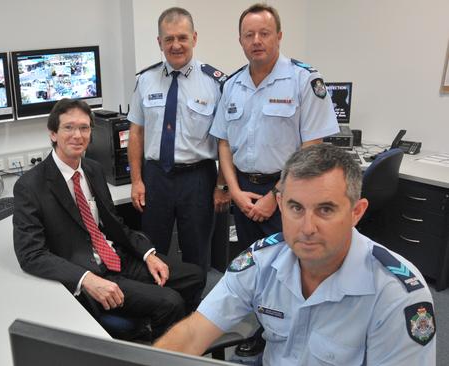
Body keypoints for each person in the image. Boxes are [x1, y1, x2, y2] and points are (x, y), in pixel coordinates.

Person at [154, 144, 436, 365]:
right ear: (279, 204)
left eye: (325, 209)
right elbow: (192, 334)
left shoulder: (396, 294)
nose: (307, 228)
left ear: (356, 212)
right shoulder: (262, 262)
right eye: (296, 208)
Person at [13, 99, 205, 340]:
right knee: (171, 302)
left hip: (116, 257)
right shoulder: (30, 185)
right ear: (53, 133)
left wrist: (148, 255)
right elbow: (30, 254)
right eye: (69, 127)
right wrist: (86, 280)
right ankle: (154, 347)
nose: (78, 135)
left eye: (84, 128)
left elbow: (115, 224)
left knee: (194, 276)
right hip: (88, 270)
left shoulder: (92, 170)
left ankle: (169, 334)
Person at [208, 3, 339, 355]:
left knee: (295, 266)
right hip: (244, 190)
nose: (256, 41)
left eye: (264, 33)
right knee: (257, 268)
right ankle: (261, 331)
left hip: (290, 192)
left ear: (279, 36)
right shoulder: (232, 84)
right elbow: (223, 141)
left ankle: (299, 337)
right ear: (240, 40)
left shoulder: (303, 80)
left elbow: (312, 148)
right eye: (249, 35)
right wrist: (234, 190)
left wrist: (275, 195)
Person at [127, 7, 229, 273]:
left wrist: (221, 185)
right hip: (156, 177)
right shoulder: (145, 80)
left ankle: (195, 309)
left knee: (197, 253)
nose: (176, 45)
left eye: (182, 38)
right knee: (153, 251)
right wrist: (137, 180)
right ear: (159, 42)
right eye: (169, 39)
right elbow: (136, 132)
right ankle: (161, 310)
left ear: (194, 38)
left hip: (198, 178)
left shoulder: (216, 83)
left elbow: (225, 140)